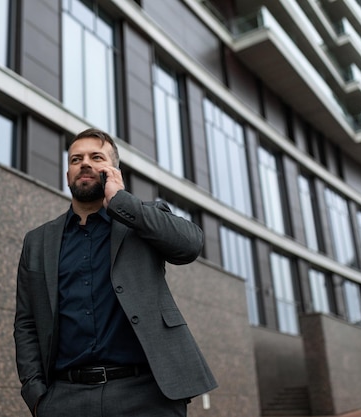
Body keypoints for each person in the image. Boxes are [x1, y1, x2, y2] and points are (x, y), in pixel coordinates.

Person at [13, 128, 217, 417]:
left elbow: (190, 245)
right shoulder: (38, 241)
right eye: (75, 159)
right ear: (67, 174)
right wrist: (36, 395)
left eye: (96, 157)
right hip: (65, 399)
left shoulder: (141, 218)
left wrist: (121, 201)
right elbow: (26, 323)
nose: (84, 163)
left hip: (146, 395)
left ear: (113, 170)